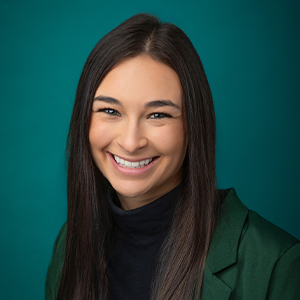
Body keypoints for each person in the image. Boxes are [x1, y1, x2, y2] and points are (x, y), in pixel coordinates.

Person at [45, 13, 300, 300]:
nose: (130, 143)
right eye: (110, 111)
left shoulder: (277, 263)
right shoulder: (71, 243)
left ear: (193, 126)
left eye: (158, 115)